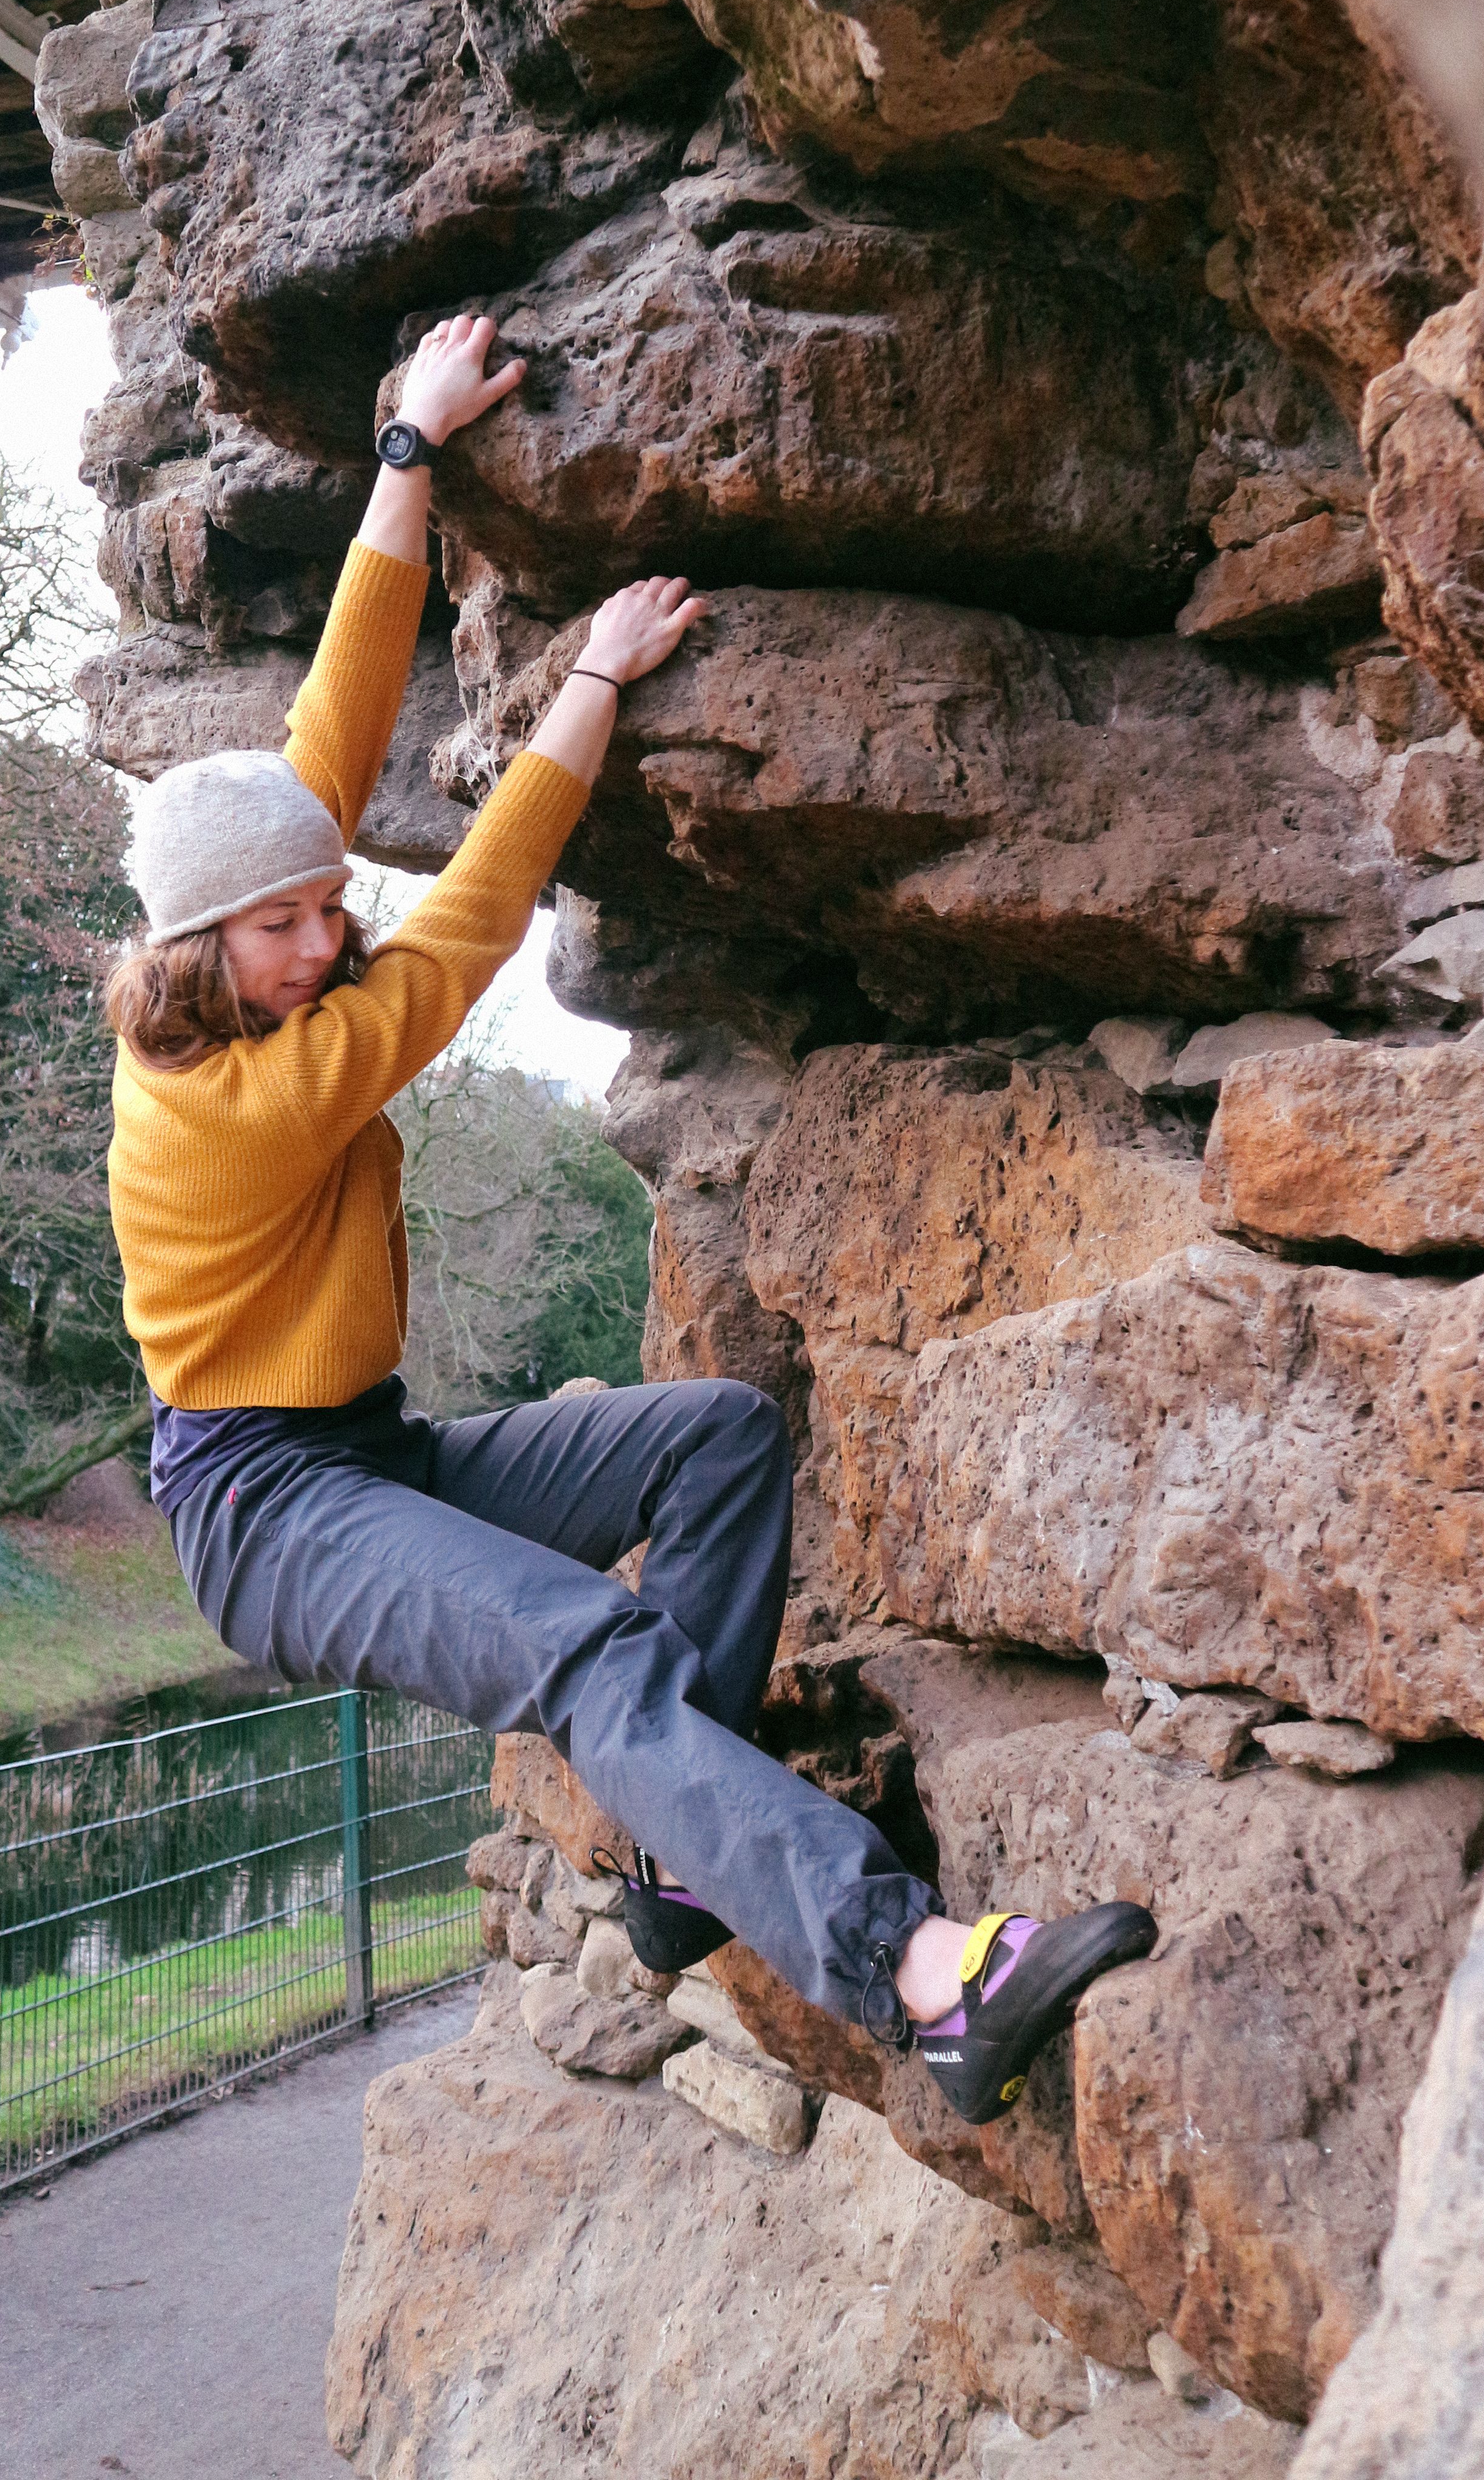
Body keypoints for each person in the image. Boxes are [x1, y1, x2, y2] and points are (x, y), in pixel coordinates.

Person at [103, 311, 1154, 2118]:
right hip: (266, 1512)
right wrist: (587, 683)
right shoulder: (241, 1100)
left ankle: (688, 1865)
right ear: (199, 953)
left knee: (722, 1443)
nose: (323, 930)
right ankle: (919, 1975)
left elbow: (326, 753)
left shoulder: (261, 959)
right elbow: (462, 927)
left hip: (363, 1452)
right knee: (590, 1651)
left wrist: (408, 453)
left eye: (314, 909)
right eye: (280, 926)